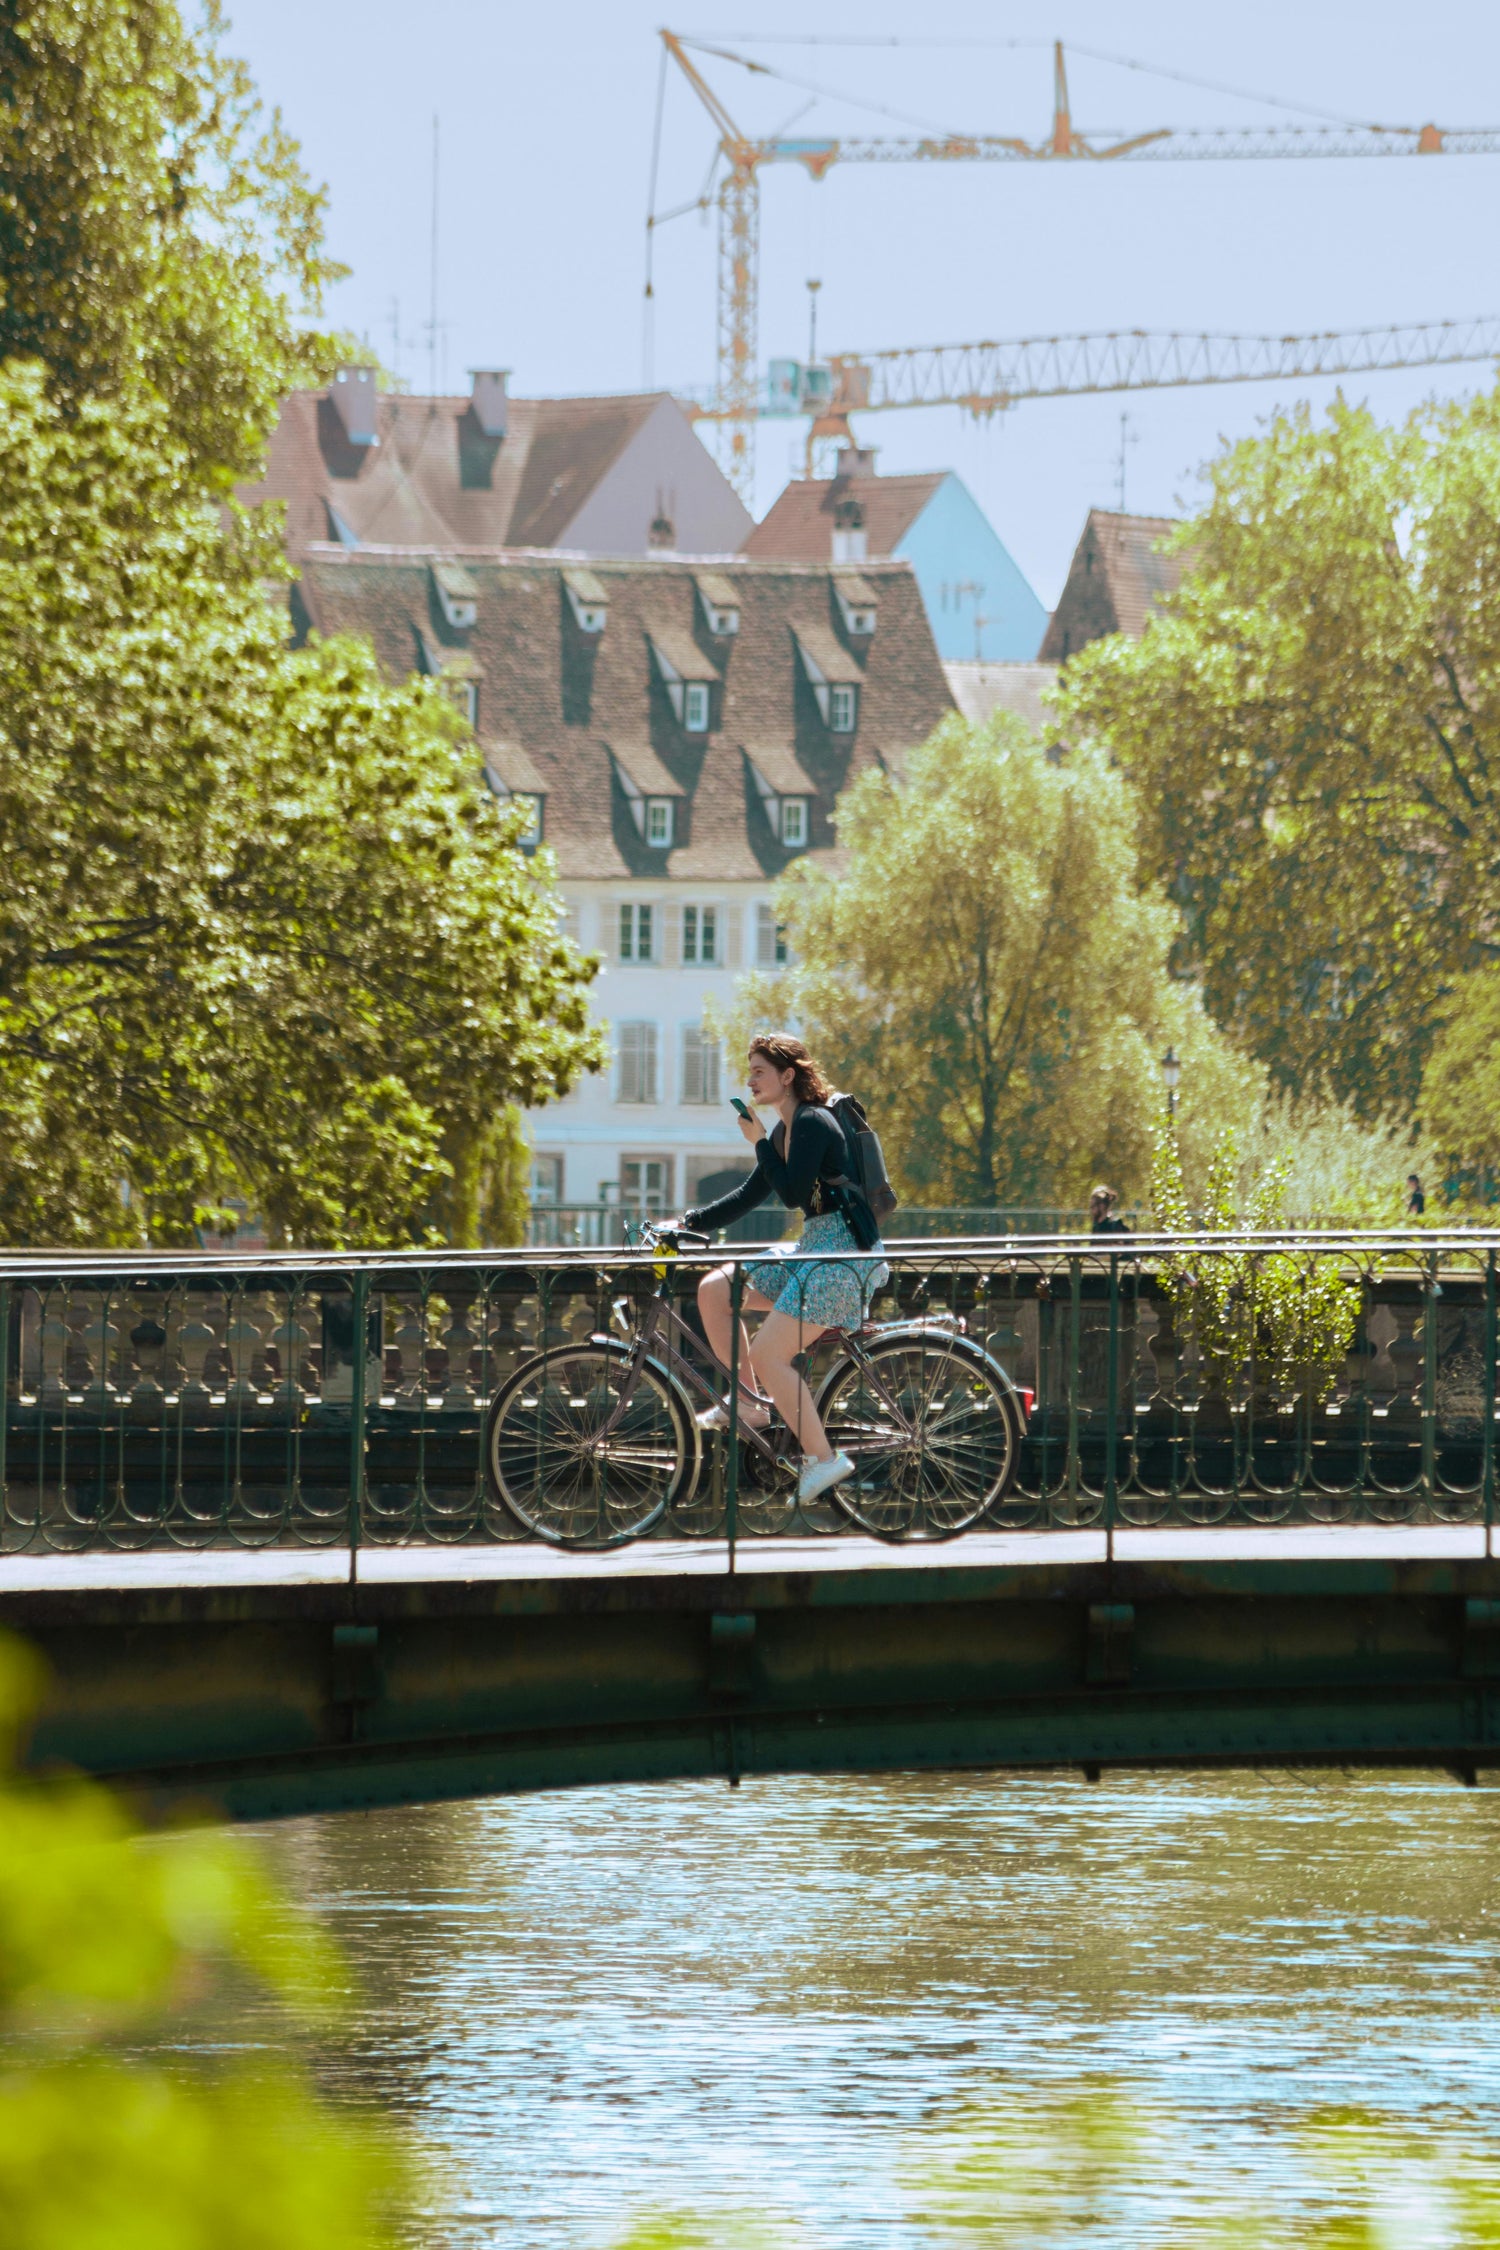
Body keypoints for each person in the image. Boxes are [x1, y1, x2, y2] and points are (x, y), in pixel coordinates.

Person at [680, 1033, 890, 1507]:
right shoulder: (784, 1131)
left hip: (842, 1256)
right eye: (750, 1071)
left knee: (768, 1354)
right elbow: (753, 1193)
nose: (750, 1080)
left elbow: (793, 1193)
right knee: (717, 1288)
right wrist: (690, 1222)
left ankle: (823, 1459)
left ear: (787, 1075)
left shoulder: (813, 1122)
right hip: (813, 1247)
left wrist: (757, 1143)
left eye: (759, 1071)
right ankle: (751, 1406)